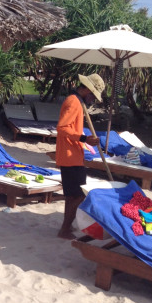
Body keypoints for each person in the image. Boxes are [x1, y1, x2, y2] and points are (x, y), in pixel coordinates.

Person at [56, 73, 105, 239]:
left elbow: (71, 128)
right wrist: (84, 138)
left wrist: (85, 139)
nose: (93, 99)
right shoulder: (73, 102)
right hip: (70, 155)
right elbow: (62, 128)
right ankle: (64, 229)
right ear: (88, 90)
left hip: (73, 154)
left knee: (72, 195)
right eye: (93, 96)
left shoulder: (78, 101)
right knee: (78, 195)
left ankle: (67, 226)